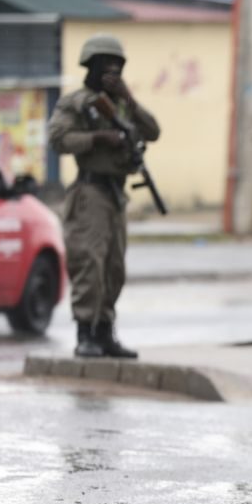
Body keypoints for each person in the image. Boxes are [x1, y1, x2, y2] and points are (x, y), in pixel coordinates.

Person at [48, 34, 160, 359]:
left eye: (117, 66)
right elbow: (58, 138)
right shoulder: (78, 102)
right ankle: (86, 332)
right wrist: (97, 137)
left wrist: (131, 99)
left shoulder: (124, 105)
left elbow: (153, 131)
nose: (112, 72)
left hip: (116, 194)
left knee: (114, 268)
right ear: (92, 67)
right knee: (89, 264)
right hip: (90, 192)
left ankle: (105, 332)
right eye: (105, 66)